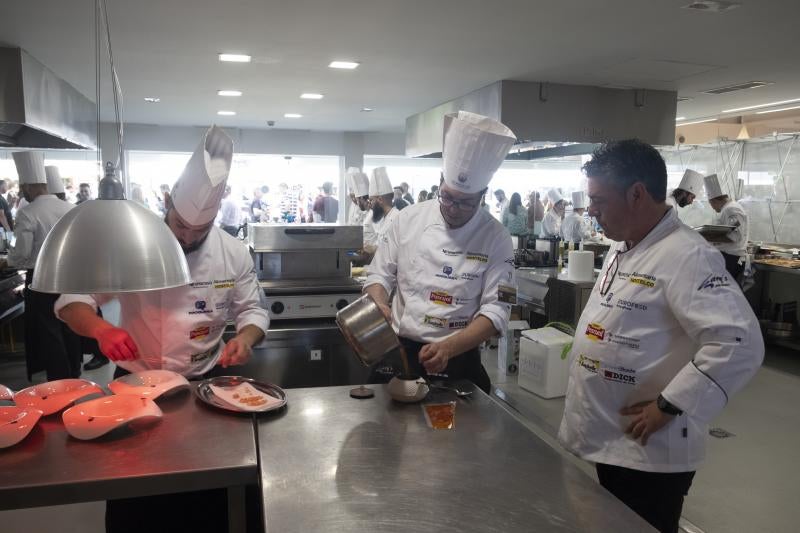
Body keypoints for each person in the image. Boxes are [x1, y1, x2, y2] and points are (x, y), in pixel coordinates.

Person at [558, 139, 763, 533]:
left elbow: (739, 343)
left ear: (636, 194)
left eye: (599, 201)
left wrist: (670, 405)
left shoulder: (688, 255)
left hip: (649, 452)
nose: (593, 211)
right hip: (616, 442)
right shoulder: (625, 247)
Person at [364, 111, 516, 394]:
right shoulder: (407, 219)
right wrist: (380, 304)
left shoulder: (497, 237)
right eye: (446, 196)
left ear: (483, 194)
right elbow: (378, 275)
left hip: (459, 355)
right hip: (399, 350)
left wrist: (448, 347)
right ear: (439, 181)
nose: (452, 208)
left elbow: (498, 310)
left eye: (465, 203)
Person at [0, 152, 81, 381]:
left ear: (27, 186)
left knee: (50, 331)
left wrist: (9, 260)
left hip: (42, 279)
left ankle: (59, 381)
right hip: (71, 278)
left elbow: (21, 255)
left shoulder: (27, 212)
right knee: (70, 325)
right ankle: (75, 375)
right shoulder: (70, 208)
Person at [704, 173, 749, 281]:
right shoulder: (728, 209)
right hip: (728, 257)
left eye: (711, 204)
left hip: (732, 258)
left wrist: (709, 237)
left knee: (727, 292)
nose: (713, 208)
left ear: (714, 201)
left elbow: (735, 236)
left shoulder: (731, 209)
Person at [361, 167, 398, 261]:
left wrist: (374, 249)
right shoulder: (384, 219)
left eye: (371, 200)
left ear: (380, 200)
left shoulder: (397, 218)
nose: (370, 204)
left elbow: (398, 251)